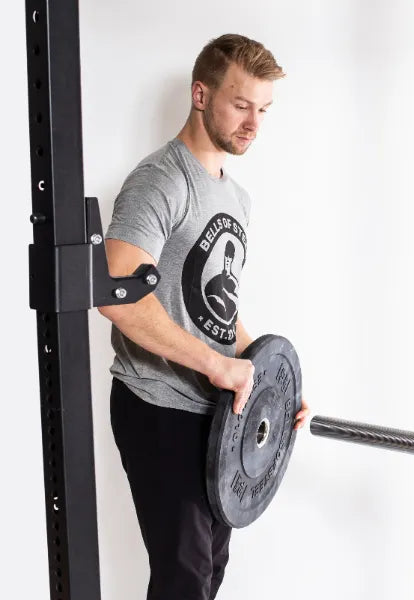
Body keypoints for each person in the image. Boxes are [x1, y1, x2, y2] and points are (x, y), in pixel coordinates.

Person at [97, 33, 309, 600]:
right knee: (183, 581)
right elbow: (115, 295)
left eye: (263, 110)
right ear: (200, 94)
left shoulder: (235, 197)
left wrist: (270, 385)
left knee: (209, 574)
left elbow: (216, 311)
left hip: (216, 416)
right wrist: (216, 367)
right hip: (157, 405)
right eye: (241, 105)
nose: (253, 124)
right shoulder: (162, 179)